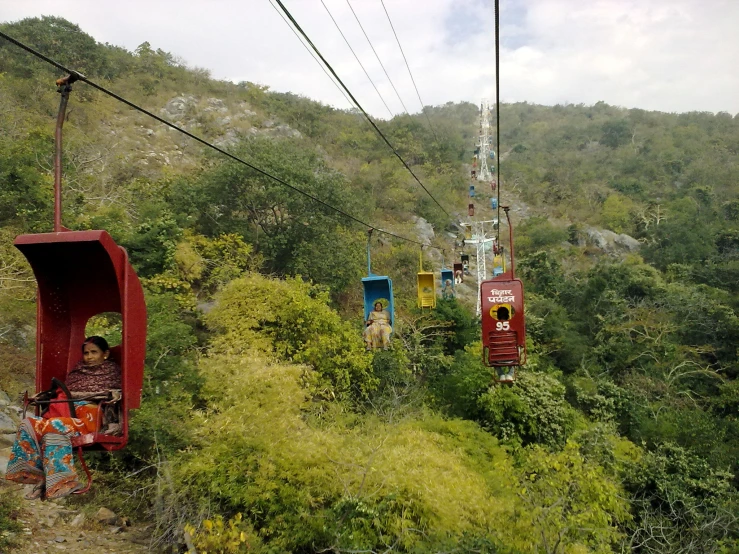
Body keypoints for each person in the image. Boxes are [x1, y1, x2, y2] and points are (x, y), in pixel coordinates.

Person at [5, 336, 121, 500]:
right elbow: (64, 393)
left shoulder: (111, 372)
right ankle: (41, 476)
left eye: (94, 352)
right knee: (29, 424)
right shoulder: (77, 373)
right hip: (67, 417)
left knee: (55, 425)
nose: (89, 357)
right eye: (86, 353)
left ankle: (59, 482)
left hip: (89, 419)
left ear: (106, 354)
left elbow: (115, 395)